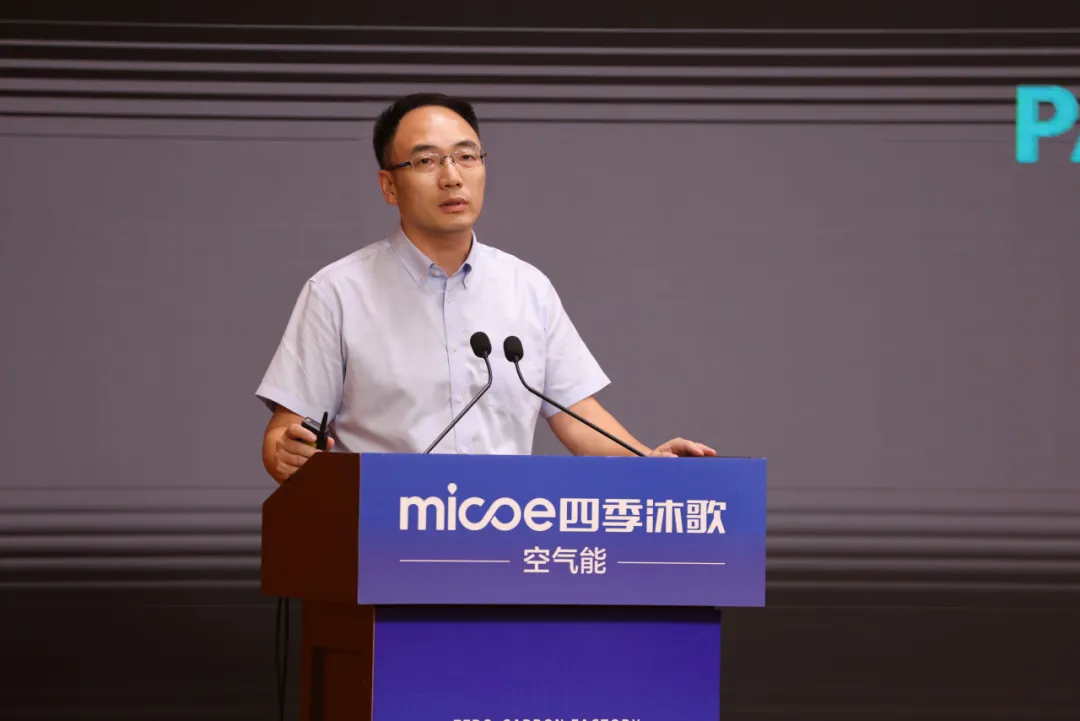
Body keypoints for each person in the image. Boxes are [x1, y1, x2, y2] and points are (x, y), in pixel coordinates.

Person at [256, 93, 715, 483]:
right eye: (427, 161)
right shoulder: (337, 292)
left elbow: (579, 419)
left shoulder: (526, 287)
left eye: (466, 156)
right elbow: (284, 435)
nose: (451, 176)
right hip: (384, 537)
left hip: (504, 535)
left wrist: (649, 462)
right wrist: (286, 452)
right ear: (389, 186)